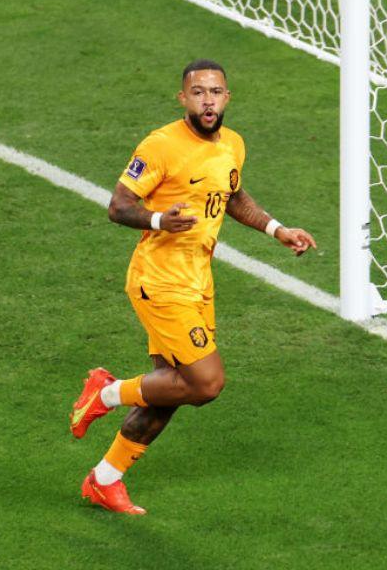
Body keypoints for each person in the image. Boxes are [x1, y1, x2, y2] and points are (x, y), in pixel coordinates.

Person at [70, 59, 316, 514]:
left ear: (228, 98)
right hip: (159, 281)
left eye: (216, 92)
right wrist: (161, 219)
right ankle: (104, 391)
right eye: (198, 92)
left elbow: (233, 196)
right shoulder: (161, 145)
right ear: (183, 98)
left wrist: (277, 229)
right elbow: (118, 206)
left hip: (199, 280)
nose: (208, 100)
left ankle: (104, 480)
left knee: (171, 388)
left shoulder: (233, 145)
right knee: (205, 384)